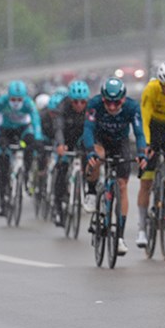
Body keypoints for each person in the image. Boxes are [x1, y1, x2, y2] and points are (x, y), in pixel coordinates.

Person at [82, 77, 147, 257]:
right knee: (98, 156)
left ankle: (119, 237)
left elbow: (139, 132)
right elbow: (87, 129)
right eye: (108, 103)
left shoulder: (132, 107)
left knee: (122, 186)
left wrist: (142, 152)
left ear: (123, 99)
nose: (111, 107)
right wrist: (90, 152)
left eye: (116, 103)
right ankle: (92, 191)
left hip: (120, 142)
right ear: (102, 99)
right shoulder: (94, 104)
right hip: (99, 140)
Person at [137, 61, 165, 248]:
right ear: (161, 84)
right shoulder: (151, 90)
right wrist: (146, 144)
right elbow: (144, 118)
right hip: (154, 129)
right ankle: (142, 228)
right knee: (146, 180)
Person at [0, 80, 44, 217]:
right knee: (2, 163)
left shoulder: (29, 103)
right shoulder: (1, 102)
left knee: (31, 144)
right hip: (6, 131)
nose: (16, 102)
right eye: (13, 99)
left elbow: (35, 121)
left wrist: (38, 138)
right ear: (8, 97)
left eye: (19, 99)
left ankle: (27, 173)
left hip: (23, 130)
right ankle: (2, 200)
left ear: (24, 98)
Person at [53, 80, 91, 226]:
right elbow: (58, 128)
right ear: (70, 100)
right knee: (61, 168)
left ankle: (88, 190)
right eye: (76, 102)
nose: (79, 106)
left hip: (82, 138)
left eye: (82, 102)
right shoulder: (63, 107)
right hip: (66, 139)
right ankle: (58, 208)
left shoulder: (90, 109)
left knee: (89, 161)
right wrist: (61, 144)